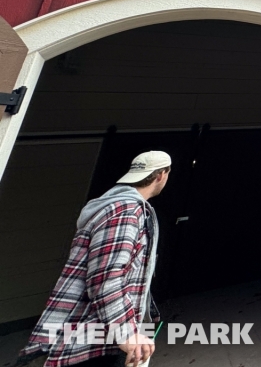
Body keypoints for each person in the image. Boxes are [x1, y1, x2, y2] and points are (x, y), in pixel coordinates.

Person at [21, 151, 171, 367]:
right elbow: (105, 279)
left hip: (101, 334)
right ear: (161, 175)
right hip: (89, 341)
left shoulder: (122, 207)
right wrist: (127, 333)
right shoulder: (125, 212)